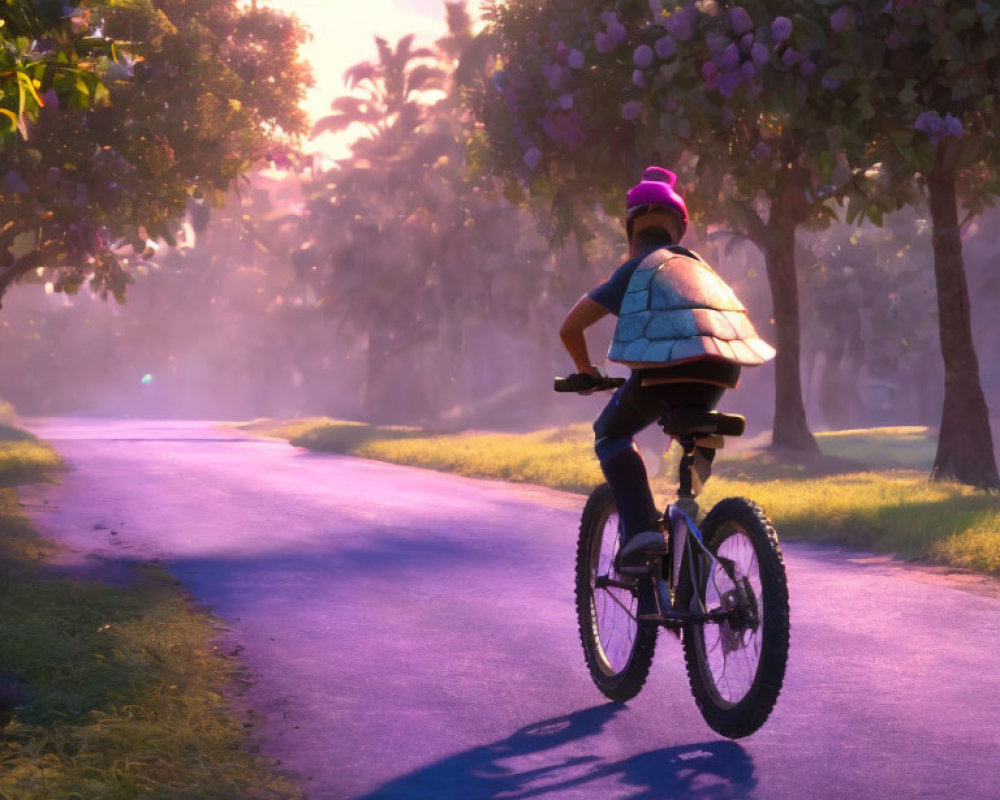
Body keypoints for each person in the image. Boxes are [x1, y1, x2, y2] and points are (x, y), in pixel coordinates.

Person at [559, 166, 774, 571]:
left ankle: (642, 528)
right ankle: (690, 527)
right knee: (699, 430)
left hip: (661, 375)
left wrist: (585, 369)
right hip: (719, 373)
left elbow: (570, 327)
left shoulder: (637, 269)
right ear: (680, 229)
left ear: (630, 228)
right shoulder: (700, 269)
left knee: (610, 432)